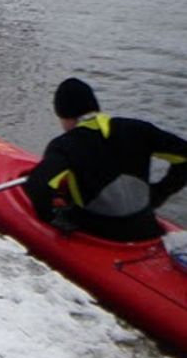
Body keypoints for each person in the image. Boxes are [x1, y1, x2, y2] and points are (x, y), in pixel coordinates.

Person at [23, 77, 187, 241]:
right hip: (146, 228)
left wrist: (50, 218)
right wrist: (159, 193)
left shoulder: (64, 145)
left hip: (98, 233)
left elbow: (38, 185)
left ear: (64, 116)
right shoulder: (138, 129)